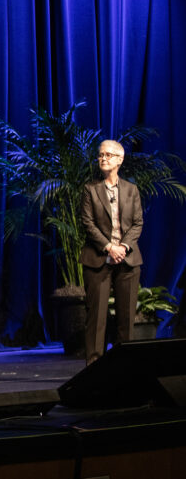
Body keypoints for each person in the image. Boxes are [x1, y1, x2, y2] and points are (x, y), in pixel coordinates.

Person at [80, 139, 143, 365]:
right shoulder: (90, 189)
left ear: (120, 160)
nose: (103, 158)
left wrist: (123, 247)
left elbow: (137, 223)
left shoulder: (131, 190)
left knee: (126, 320)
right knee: (96, 319)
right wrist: (109, 247)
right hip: (98, 260)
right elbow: (87, 223)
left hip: (128, 260)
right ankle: (94, 368)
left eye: (108, 155)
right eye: (101, 155)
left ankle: (123, 368)